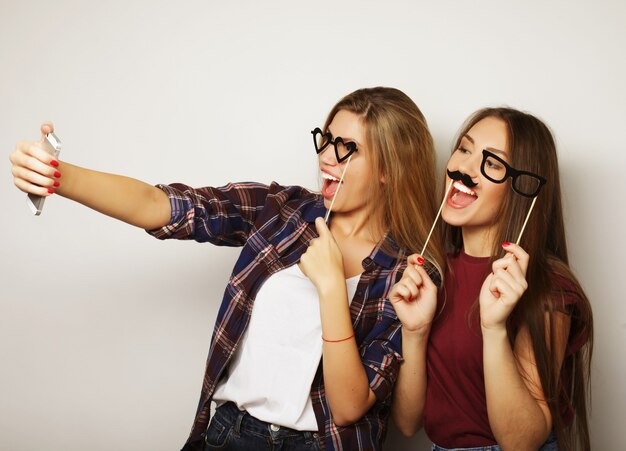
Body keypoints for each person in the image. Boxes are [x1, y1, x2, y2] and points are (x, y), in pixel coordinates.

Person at [9, 87, 444, 451]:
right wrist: (57, 176)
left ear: (390, 168)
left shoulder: (409, 272)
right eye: (325, 139)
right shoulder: (282, 210)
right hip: (233, 435)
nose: (328, 157)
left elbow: (351, 407)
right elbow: (165, 206)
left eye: (347, 149)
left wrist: (332, 287)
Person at [389, 107, 593, 450]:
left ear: (522, 188)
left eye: (493, 163)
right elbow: (409, 423)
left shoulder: (547, 287)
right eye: (464, 149)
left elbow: (522, 441)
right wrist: (414, 331)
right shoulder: (433, 277)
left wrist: (494, 328)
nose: (463, 171)